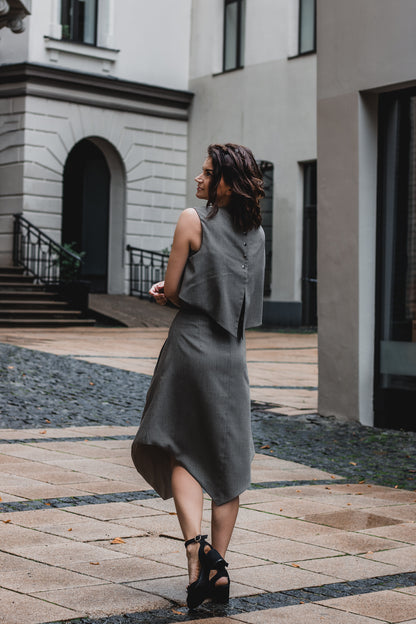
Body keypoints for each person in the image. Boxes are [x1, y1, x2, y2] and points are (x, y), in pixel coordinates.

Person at [131, 143, 265, 609]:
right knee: (230, 462)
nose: (199, 180)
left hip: (191, 347)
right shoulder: (257, 233)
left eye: (208, 174)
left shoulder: (193, 220)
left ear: (227, 182)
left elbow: (172, 289)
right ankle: (219, 569)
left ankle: (194, 558)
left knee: (180, 445)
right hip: (233, 353)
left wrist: (164, 293)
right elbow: (245, 301)